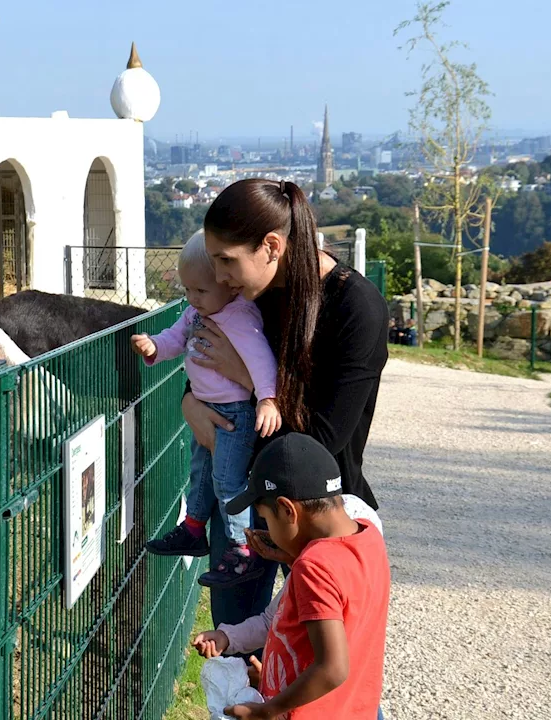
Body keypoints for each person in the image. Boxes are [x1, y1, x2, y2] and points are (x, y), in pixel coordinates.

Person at [181, 178, 389, 629]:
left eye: (226, 261)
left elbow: (324, 438)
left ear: (272, 246)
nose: (218, 278)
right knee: (234, 649)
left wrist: (246, 378)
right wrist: (189, 404)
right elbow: (207, 364)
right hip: (245, 507)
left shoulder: (357, 308)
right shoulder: (252, 296)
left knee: (317, 673)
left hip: (319, 520)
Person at [197, 434, 390, 720]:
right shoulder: (368, 537)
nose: (269, 530)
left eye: (267, 519)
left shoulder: (315, 567)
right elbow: (345, 599)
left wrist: (267, 710)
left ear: (288, 510)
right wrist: (292, 556)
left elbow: (333, 668)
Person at [132, 232, 283, 589]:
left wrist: (267, 397)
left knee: (229, 481)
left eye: (200, 291)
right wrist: (154, 346)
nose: (192, 299)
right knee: (200, 471)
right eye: (187, 291)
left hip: (234, 414)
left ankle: (241, 548)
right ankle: (194, 528)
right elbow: (174, 338)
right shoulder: (197, 311)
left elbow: (262, 361)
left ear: (229, 286)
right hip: (207, 406)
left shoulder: (240, 317)